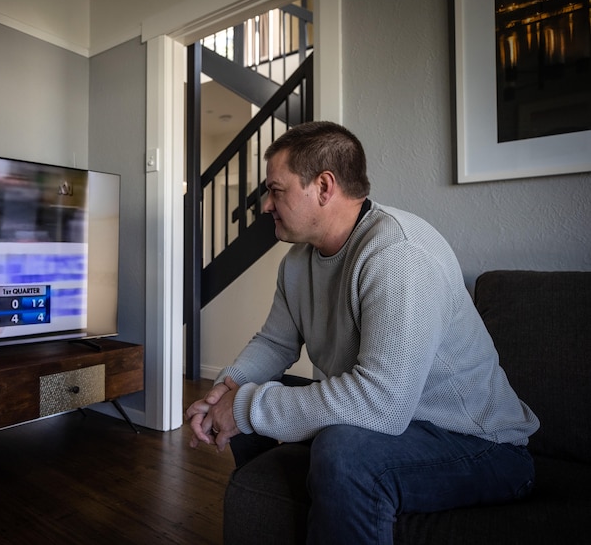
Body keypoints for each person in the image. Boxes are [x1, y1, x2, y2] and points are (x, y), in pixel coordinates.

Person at [185, 121, 539, 544]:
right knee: (261, 388)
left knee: (343, 451)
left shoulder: (398, 254)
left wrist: (243, 408)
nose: (265, 205)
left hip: (479, 444)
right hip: (397, 423)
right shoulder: (297, 263)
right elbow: (276, 341)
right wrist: (227, 388)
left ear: (323, 186)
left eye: (276, 190)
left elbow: (381, 404)